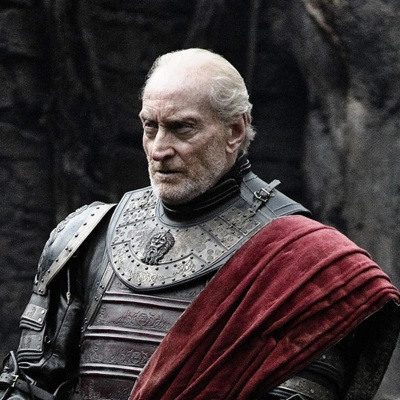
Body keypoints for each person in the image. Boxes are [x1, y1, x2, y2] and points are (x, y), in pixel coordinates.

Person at [1, 48, 399, 400]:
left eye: (181, 128)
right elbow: (31, 383)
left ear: (235, 130)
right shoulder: (86, 235)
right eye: (150, 126)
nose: (159, 149)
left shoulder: (303, 266)